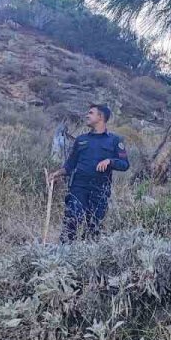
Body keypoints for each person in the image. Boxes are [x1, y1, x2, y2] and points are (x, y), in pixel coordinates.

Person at [52, 104, 129, 242]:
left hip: (100, 190)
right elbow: (70, 165)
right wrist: (57, 173)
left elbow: (124, 165)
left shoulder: (115, 140)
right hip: (78, 187)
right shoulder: (81, 140)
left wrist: (110, 161)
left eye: (91, 113)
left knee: (93, 228)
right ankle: (64, 254)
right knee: (71, 221)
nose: (87, 115)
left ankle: (87, 258)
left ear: (101, 117)